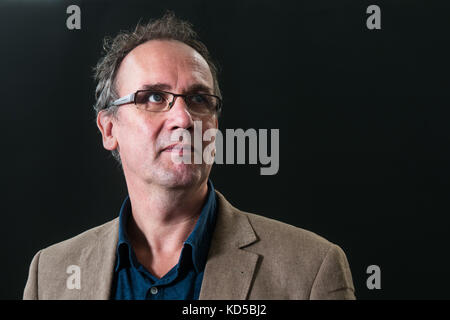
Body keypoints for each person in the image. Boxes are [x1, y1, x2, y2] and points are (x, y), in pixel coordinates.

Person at [23, 12, 355, 300]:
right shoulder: (50, 274)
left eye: (198, 99)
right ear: (109, 129)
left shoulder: (312, 269)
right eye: (154, 96)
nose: (184, 118)